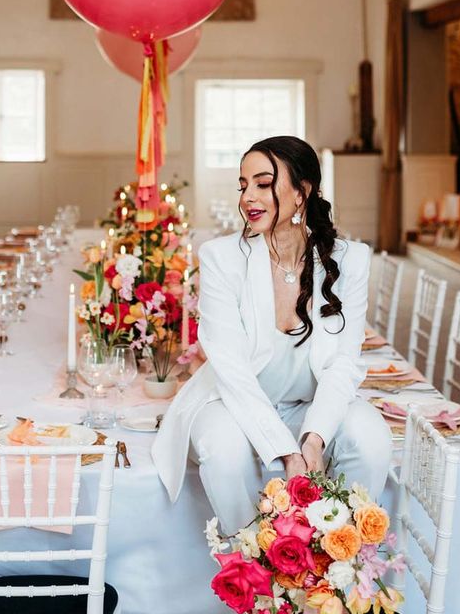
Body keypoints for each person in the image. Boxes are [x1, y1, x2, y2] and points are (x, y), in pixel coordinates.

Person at [151, 136, 392, 534]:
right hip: (231, 400)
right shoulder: (220, 257)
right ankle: (253, 568)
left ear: (301, 192)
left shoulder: (350, 260)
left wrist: (312, 439)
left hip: (307, 402)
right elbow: (232, 370)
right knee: (224, 451)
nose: (249, 196)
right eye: (243, 185)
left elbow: (343, 363)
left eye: (263, 183)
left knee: (372, 439)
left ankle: (334, 557)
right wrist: (285, 451)